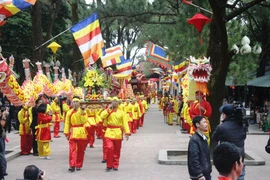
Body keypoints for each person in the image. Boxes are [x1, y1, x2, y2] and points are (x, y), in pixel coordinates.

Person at [212, 104, 247, 180]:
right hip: (240, 158)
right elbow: (244, 137)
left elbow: (214, 138)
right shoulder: (242, 126)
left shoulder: (221, 127)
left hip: (226, 160)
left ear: (224, 115)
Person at [100, 97, 130, 171]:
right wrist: (107, 109)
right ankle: (109, 165)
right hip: (109, 132)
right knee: (109, 148)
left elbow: (125, 123)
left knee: (117, 150)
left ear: (118, 103)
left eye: (116, 101)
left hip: (118, 133)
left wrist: (127, 132)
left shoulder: (122, 112)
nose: (115, 102)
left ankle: (115, 164)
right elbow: (102, 116)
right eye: (113, 101)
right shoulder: (108, 111)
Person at [64, 96, 88, 172]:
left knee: (81, 150)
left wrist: (82, 112)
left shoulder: (83, 111)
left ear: (79, 103)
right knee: (72, 149)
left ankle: (79, 164)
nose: (75, 103)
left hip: (81, 132)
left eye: (76, 102)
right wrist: (66, 132)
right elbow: (67, 123)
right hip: (73, 132)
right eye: (73, 102)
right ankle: (72, 165)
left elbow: (84, 121)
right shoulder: (69, 112)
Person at [188, 116, 212, 180]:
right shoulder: (194, 140)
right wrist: (199, 174)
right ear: (197, 124)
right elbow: (194, 158)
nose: (206, 124)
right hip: (199, 176)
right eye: (204, 122)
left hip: (206, 173)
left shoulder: (204, 138)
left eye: (206, 122)